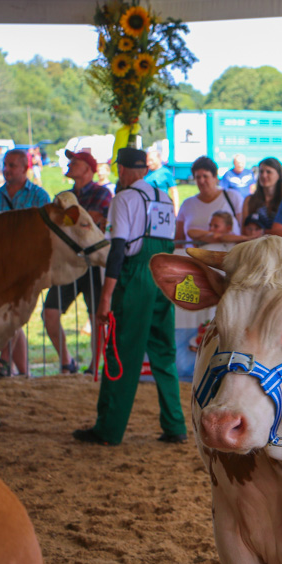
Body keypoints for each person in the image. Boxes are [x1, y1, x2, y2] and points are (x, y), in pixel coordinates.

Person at [74, 147, 187, 446]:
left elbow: (118, 249)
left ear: (122, 170)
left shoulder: (123, 198)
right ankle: (175, 424)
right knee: (164, 352)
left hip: (135, 278)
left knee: (121, 351)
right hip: (162, 275)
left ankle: (109, 429)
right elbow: (169, 242)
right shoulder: (164, 198)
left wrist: (105, 296)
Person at [0, 149, 51, 379]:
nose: (6, 170)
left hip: (26, 266)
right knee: (10, 317)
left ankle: (6, 362)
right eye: (5, 165)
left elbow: (46, 233)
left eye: (12, 165)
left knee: (13, 315)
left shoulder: (40, 197)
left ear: (24, 168)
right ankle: (21, 371)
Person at [42, 151, 113, 374]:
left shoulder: (101, 193)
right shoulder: (64, 196)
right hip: (67, 263)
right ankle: (66, 361)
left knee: (96, 315)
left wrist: (79, 221)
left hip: (91, 265)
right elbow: (76, 222)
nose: (70, 164)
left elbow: (93, 221)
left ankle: (94, 365)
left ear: (88, 169)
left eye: (76, 162)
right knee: (50, 314)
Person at [175, 156, 243, 245]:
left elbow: (244, 228)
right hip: (192, 257)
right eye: (198, 177)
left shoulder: (233, 197)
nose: (201, 181)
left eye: (205, 176)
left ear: (215, 177)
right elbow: (179, 238)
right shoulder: (187, 204)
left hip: (227, 255)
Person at [241, 157, 282, 232]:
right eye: (261, 172)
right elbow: (244, 230)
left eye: (268, 172)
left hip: (281, 243)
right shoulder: (249, 200)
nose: (264, 175)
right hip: (255, 243)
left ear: (278, 175)